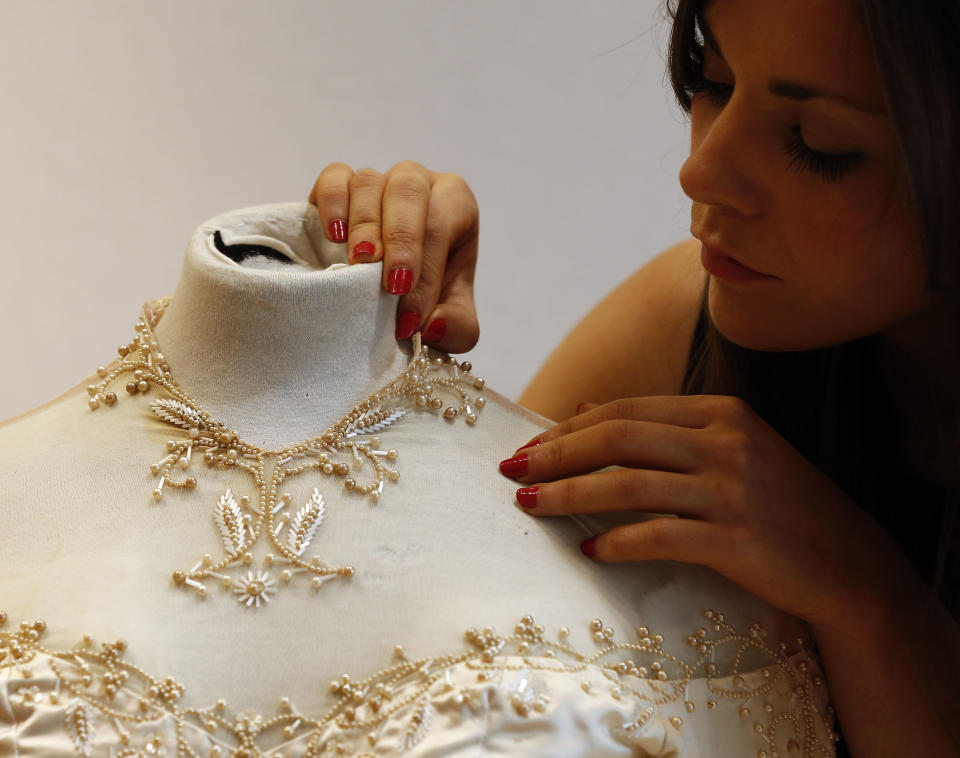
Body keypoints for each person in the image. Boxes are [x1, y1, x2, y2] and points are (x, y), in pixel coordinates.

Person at [306, 0, 960, 755]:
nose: (700, 171)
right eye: (710, 80)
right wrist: (377, 339)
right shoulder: (691, 312)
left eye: (817, 144)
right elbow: (447, 602)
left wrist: (866, 597)